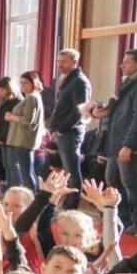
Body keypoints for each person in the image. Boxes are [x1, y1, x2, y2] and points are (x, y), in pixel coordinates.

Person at [99, 49, 137, 235]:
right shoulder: (131, 84)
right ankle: (122, 219)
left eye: (127, 62)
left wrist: (129, 144)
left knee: (131, 183)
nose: (122, 65)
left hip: (130, 145)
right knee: (112, 179)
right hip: (119, 143)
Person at [50, 49, 92, 209]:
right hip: (62, 132)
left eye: (64, 61)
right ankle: (67, 202)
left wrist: (62, 129)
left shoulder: (80, 81)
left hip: (70, 133)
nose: (60, 65)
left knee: (72, 170)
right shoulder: (68, 80)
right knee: (66, 171)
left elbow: (79, 110)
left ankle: (72, 205)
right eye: (59, 61)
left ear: (75, 62)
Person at [3, 71, 44, 190]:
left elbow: (28, 120)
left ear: (34, 83)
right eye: (21, 83)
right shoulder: (33, 96)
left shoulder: (32, 97)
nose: (22, 86)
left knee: (27, 172)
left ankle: (33, 198)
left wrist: (11, 117)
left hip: (24, 139)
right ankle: (33, 197)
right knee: (27, 171)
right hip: (24, 139)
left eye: (26, 83)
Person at [0, 77, 21, 192]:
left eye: (0, 90)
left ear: (8, 89)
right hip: (3, 137)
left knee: (13, 167)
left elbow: (9, 124)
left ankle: (15, 191)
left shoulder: (16, 102)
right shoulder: (4, 101)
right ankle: (7, 190)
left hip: (10, 138)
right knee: (6, 165)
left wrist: (1, 137)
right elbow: (1, 121)